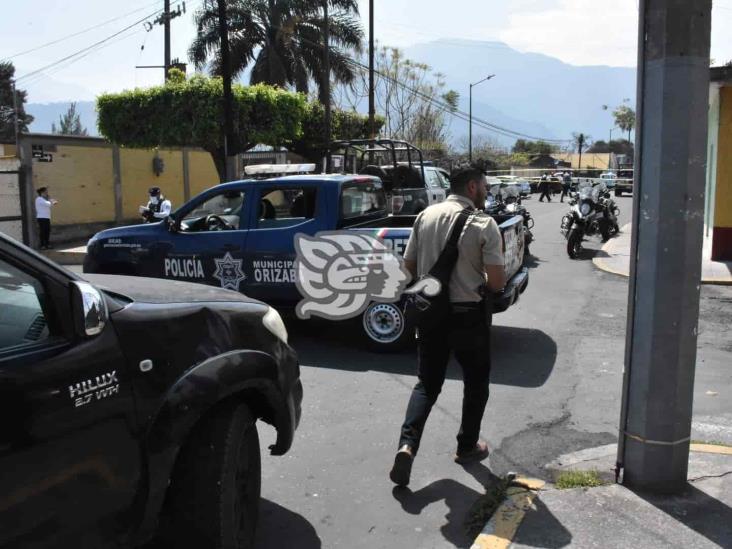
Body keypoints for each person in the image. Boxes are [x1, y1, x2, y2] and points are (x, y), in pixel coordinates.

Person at [389, 167, 506, 487]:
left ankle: (407, 445)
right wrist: (476, 278)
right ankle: (467, 446)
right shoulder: (484, 223)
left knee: (426, 384)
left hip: (431, 315)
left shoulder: (425, 216)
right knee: (476, 382)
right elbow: (496, 283)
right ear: (472, 186)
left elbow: (408, 268)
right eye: (484, 185)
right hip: (469, 316)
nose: (487, 189)